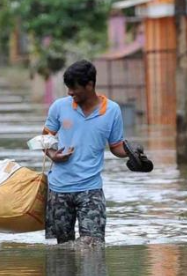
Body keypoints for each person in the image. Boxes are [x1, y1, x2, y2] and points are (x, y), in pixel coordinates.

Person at [42, 60, 129, 245]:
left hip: (91, 188)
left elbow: (116, 147)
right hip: (58, 189)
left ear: (90, 85)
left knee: (93, 245)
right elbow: (44, 139)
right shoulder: (59, 107)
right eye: (68, 88)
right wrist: (52, 155)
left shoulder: (112, 111)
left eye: (74, 88)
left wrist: (131, 153)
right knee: (63, 250)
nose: (70, 92)